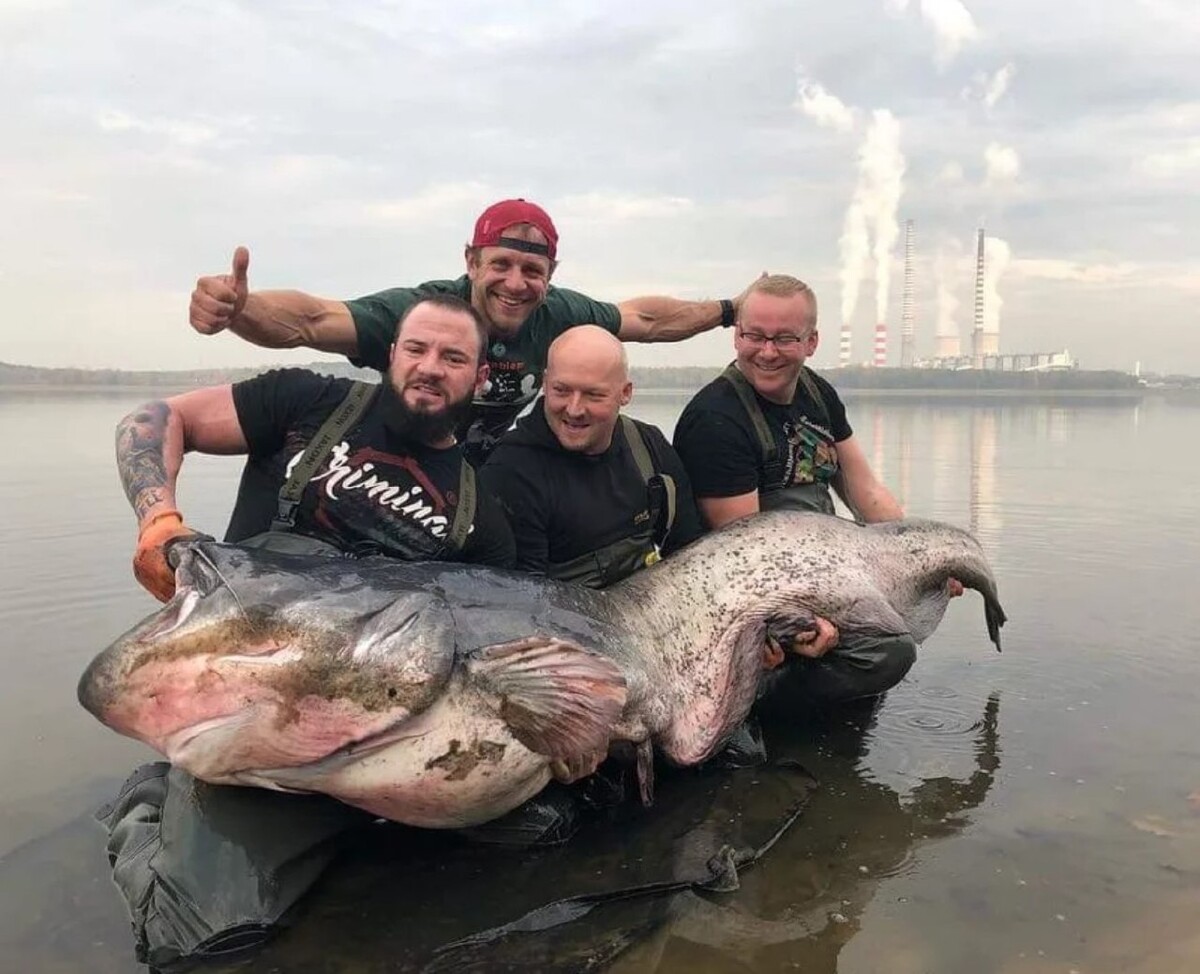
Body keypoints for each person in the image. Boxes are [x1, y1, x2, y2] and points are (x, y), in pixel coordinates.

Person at [101, 295, 516, 973]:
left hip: (386, 735)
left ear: (478, 378)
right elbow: (159, 417)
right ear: (391, 356)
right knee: (202, 939)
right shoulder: (309, 403)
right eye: (416, 349)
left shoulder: (482, 514)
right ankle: (148, 804)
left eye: (453, 357)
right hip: (259, 717)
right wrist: (157, 517)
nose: (430, 367)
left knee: (537, 833)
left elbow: (498, 657)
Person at [187, 198, 748, 462]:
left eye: (533, 270)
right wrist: (241, 309)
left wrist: (728, 310)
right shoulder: (426, 314)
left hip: (479, 477)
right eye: (500, 264)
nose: (515, 282)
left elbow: (647, 320)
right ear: (472, 261)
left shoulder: (557, 314)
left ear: (551, 275)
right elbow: (311, 320)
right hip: (394, 462)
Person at [673, 274, 956, 703]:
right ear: (736, 337)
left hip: (820, 568)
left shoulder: (818, 394)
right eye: (755, 336)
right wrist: (795, 625)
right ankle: (754, 701)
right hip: (750, 596)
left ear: (812, 341)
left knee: (894, 621)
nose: (767, 352)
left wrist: (921, 557)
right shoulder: (716, 420)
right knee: (888, 652)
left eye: (785, 339)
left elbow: (868, 495)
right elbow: (744, 560)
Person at [480, 325, 706, 588]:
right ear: (544, 384)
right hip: (560, 623)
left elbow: (689, 553)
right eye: (561, 390)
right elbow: (524, 601)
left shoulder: (647, 445)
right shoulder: (510, 472)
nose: (574, 409)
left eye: (593, 395)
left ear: (625, 393)